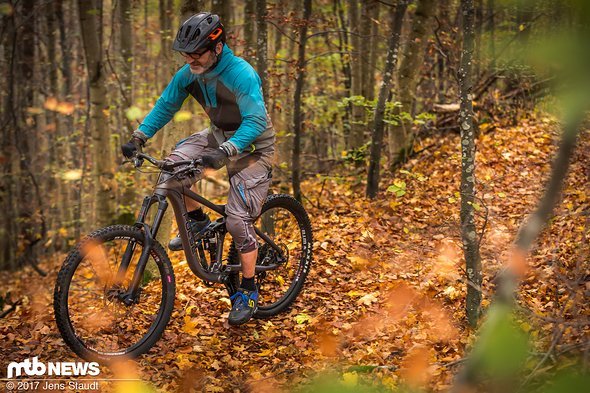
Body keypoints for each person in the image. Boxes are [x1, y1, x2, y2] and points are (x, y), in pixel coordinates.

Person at [121, 12, 275, 326]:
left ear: (217, 47)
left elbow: (256, 121)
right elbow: (166, 105)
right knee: (173, 168)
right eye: (185, 53)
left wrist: (227, 151)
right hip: (218, 136)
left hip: (253, 147)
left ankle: (247, 289)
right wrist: (139, 137)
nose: (189, 58)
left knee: (237, 220)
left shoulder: (241, 74)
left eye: (196, 52)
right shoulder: (189, 73)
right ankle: (198, 223)